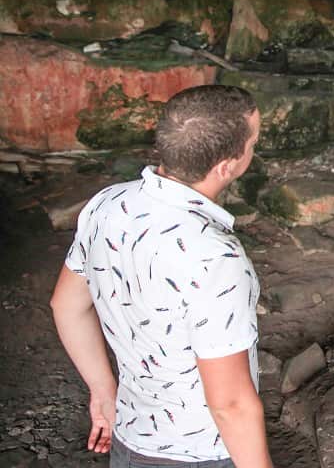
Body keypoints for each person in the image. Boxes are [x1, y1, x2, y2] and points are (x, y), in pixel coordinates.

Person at [50, 85, 272, 468]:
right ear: (226, 166)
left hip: (130, 440)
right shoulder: (216, 257)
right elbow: (230, 404)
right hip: (200, 453)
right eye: (252, 143)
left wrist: (104, 391)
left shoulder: (108, 203)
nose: (254, 149)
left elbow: (66, 305)